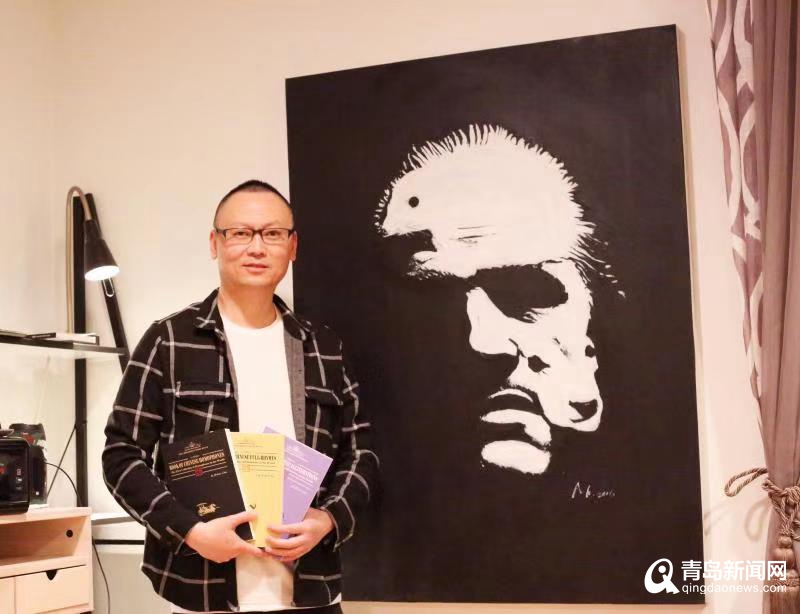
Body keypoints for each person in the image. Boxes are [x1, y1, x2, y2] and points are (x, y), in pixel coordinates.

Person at [102, 179, 378, 613]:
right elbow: (121, 455)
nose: (257, 247)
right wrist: (190, 531)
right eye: (240, 233)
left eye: (273, 233)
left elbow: (360, 453)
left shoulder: (324, 348)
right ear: (215, 243)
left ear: (293, 246)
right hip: (202, 591)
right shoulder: (169, 341)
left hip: (311, 593)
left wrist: (328, 519)